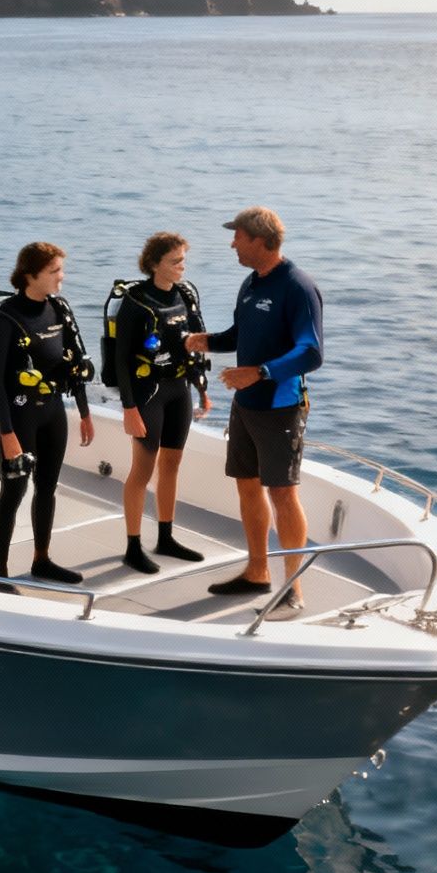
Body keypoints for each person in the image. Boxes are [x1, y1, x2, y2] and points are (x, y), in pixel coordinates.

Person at [186, 207, 323, 614]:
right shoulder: (250, 283)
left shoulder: (298, 287)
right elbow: (239, 335)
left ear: (261, 240)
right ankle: (257, 572)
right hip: (245, 405)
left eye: (239, 236)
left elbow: (311, 351)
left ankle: (294, 588)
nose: (232, 243)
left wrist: (260, 373)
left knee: (282, 492)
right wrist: (205, 341)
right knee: (246, 484)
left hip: (280, 406)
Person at [0, 242, 96, 585]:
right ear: (30, 275)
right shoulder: (5, 322)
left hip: (52, 412)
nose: (62, 277)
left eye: (61, 269)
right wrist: (7, 435)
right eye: (54, 271)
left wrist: (84, 410)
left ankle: (41, 559)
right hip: (20, 417)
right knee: (14, 492)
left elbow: (73, 363)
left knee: (47, 487)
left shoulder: (58, 309)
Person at [115, 231, 212, 574]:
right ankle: (133, 546)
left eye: (183, 259)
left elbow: (196, 342)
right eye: (175, 261)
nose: (181, 267)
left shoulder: (185, 295)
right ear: (154, 264)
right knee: (142, 470)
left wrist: (202, 387)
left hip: (179, 390)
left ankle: (166, 537)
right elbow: (121, 358)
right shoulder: (136, 302)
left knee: (171, 464)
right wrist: (129, 408)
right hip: (148, 394)